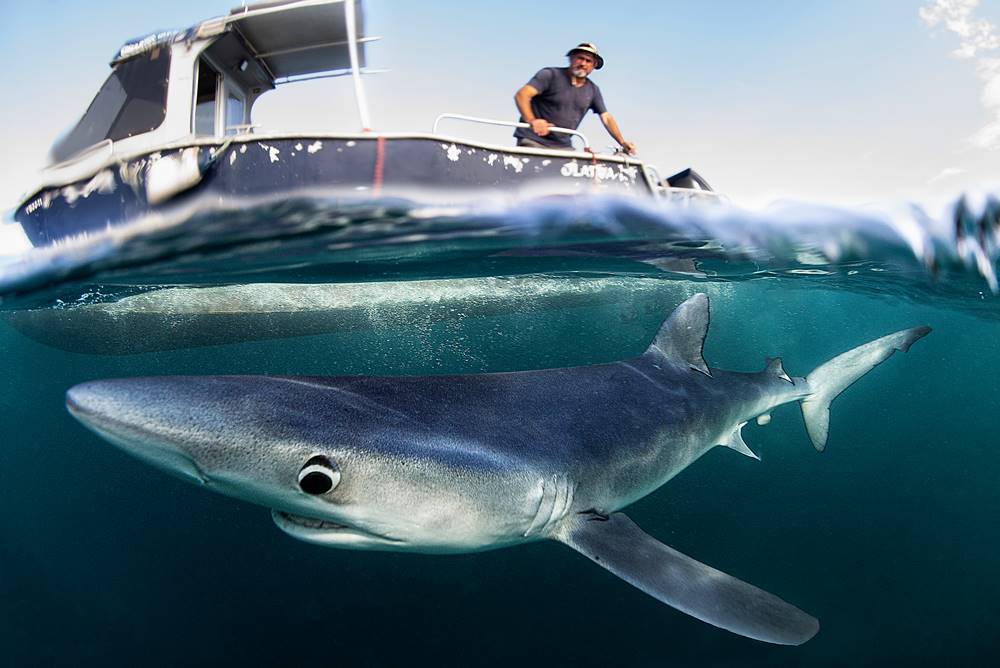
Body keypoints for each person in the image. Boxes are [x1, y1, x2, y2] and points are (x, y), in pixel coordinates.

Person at [514, 43, 636, 155]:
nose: (583, 63)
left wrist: (622, 142)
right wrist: (532, 121)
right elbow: (522, 95)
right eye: (580, 58)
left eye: (588, 61)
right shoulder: (550, 75)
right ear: (571, 59)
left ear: (593, 66)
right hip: (534, 141)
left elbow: (606, 117)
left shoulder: (593, 90)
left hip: (563, 147)